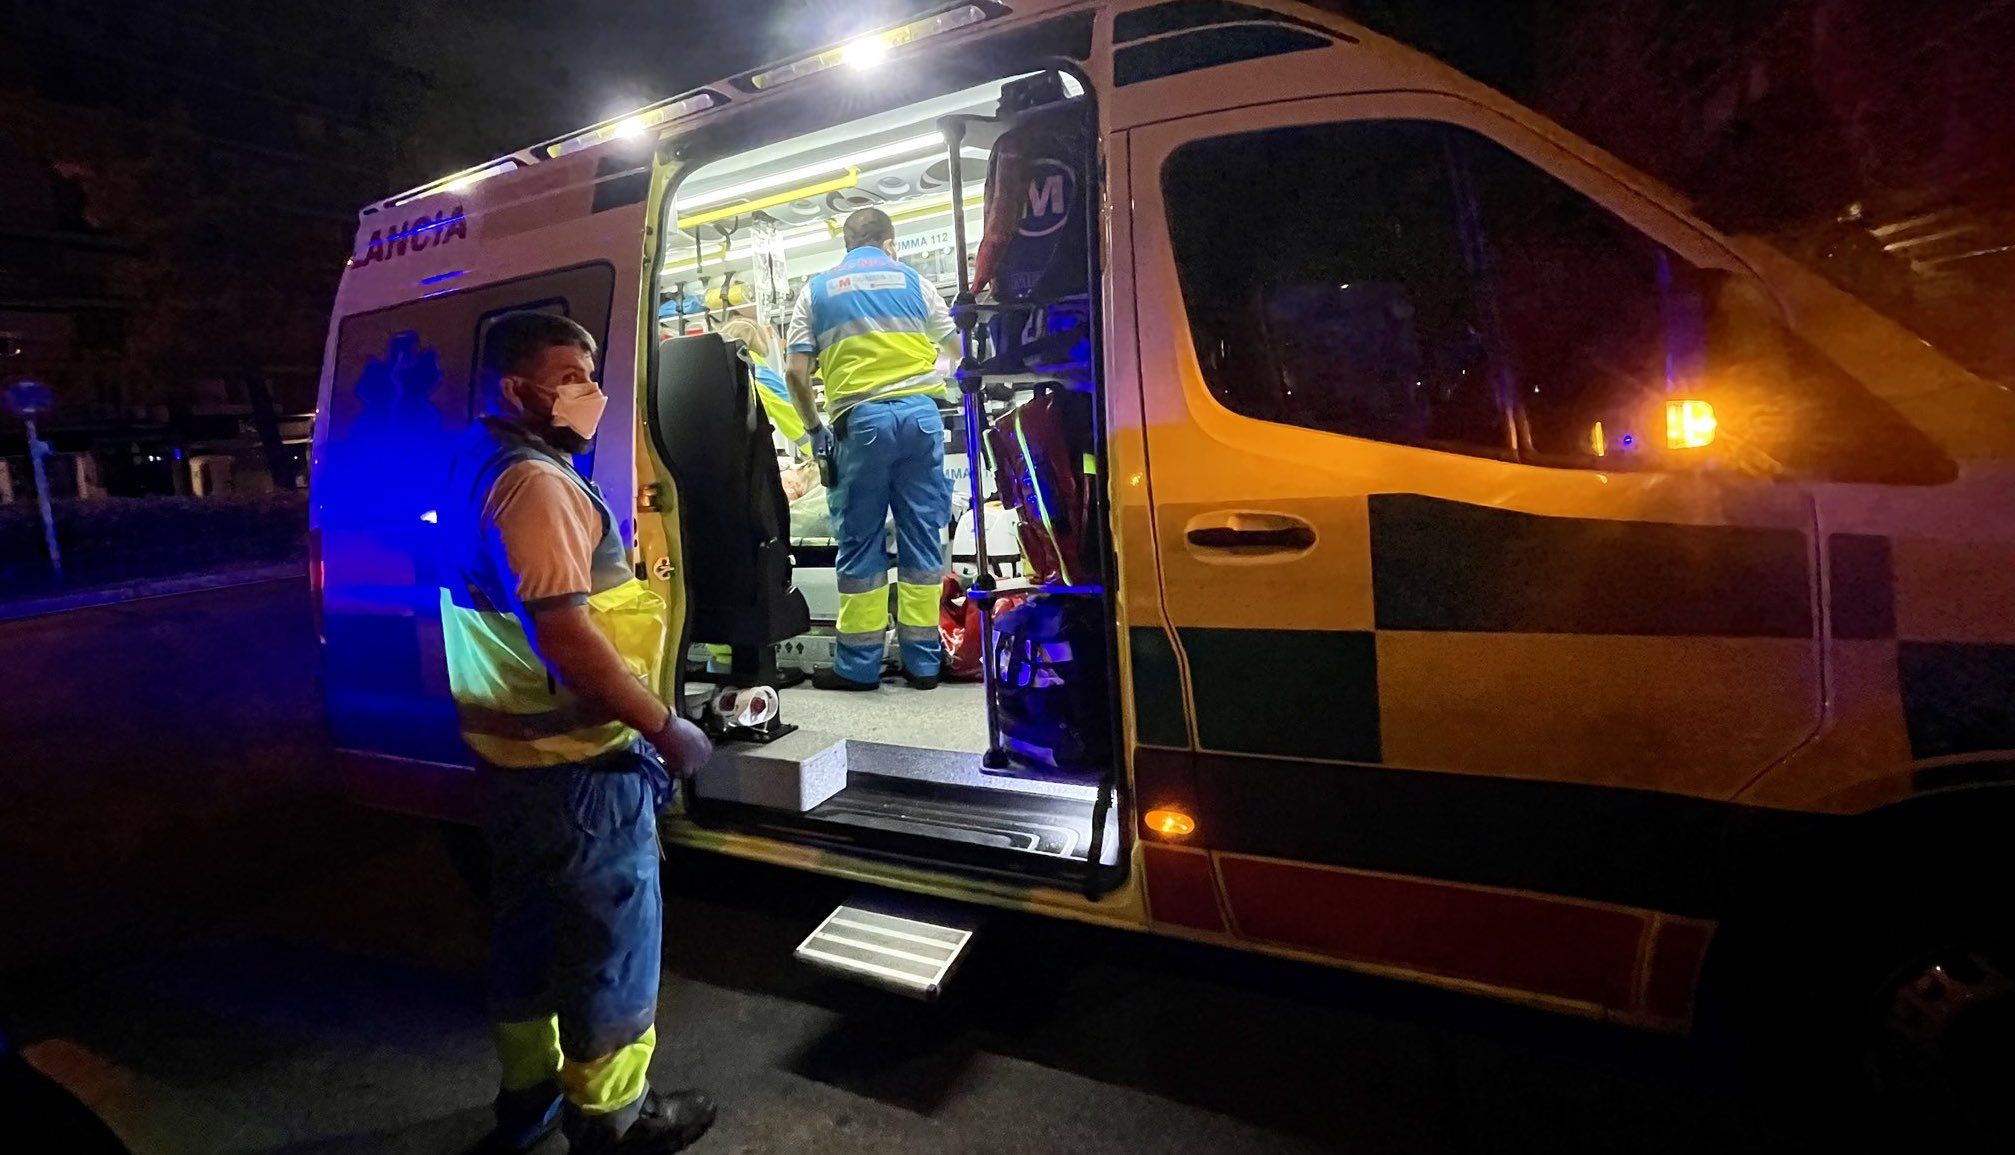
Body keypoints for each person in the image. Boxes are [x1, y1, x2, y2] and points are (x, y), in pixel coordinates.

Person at [437, 311, 717, 1155]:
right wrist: (664, 726)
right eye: (569, 377)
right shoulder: (536, 483)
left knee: (525, 939)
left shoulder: (478, 458)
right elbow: (564, 634)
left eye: (591, 376)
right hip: (577, 766)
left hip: (511, 759)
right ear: (514, 387)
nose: (589, 394)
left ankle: (528, 1099)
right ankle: (614, 1118)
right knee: (609, 946)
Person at [784, 208, 959, 692]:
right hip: (922, 418)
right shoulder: (916, 283)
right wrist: (927, 379)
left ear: (846, 245)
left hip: (861, 424)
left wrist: (815, 429)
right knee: (922, 539)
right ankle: (923, 664)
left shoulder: (816, 291)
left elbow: (796, 373)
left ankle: (858, 666)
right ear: (889, 243)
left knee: (861, 541)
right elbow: (956, 350)